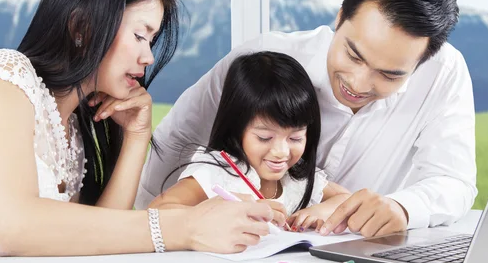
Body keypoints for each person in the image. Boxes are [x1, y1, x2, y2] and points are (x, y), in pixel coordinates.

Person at [0, 0, 274, 255]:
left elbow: (98, 240)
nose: (148, 57)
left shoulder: (76, 131)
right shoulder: (2, 76)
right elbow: (11, 227)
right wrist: (184, 227)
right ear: (82, 27)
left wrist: (136, 138)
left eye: (152, 40)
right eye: (139, 35)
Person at [136, 0, 477, 239]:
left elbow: (454, 181)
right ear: (340, 16)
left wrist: (401, 208)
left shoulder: (443, 72)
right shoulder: (264, 60)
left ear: (421, 62)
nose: (358, 83)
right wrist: (149, 235)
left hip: (348, 256)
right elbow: (178, 138)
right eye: (353, 54)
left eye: (389, 75)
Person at [149, 51, 350, 232]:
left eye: (295, 138)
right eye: (264, 138)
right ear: (237, 128)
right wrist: (224, 213)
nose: (281, 151)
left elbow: (347, 199)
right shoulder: (218, 171)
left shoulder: (297, 177)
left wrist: (322, 210)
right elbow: (156, 212)